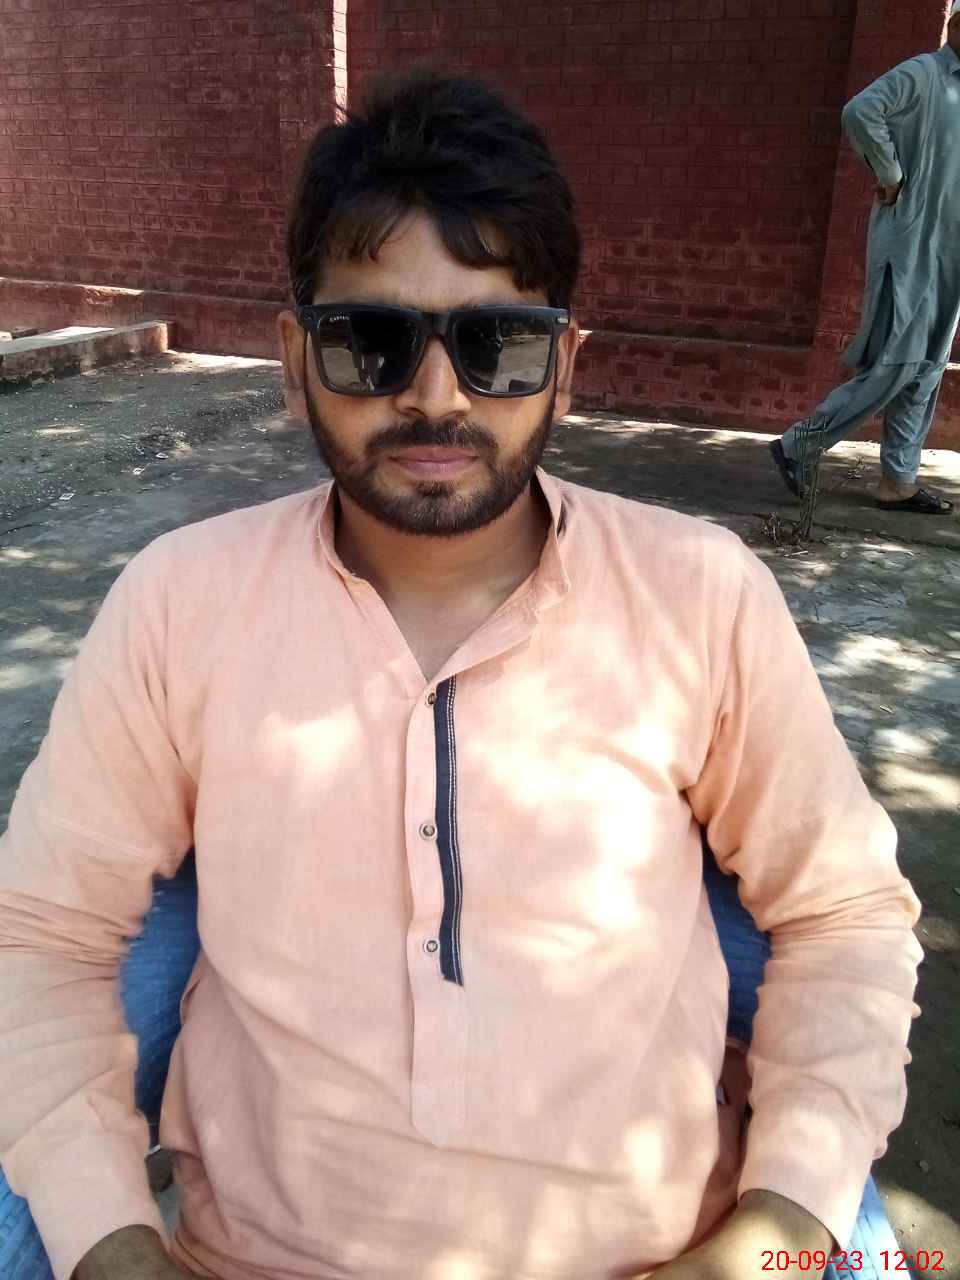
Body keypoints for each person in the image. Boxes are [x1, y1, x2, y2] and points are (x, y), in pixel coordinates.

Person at [0, 69, 922, 1280]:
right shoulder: (181, 602)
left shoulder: (699, 594)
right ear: (294, 357)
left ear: (566, 366)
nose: (435, 397)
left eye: (499, 344)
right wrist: (114, 1246)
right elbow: (42, 937)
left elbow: (842, 914)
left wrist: (778, 1230)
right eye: (370, 341)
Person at [769, 2, 960, 515]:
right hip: (912, 246)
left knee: (927, 370)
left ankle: (898, 480)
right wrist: (891, 174)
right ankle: (799, 444)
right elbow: (860, 110)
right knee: (898, 362)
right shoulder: (924, 74)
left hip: (951, 256)